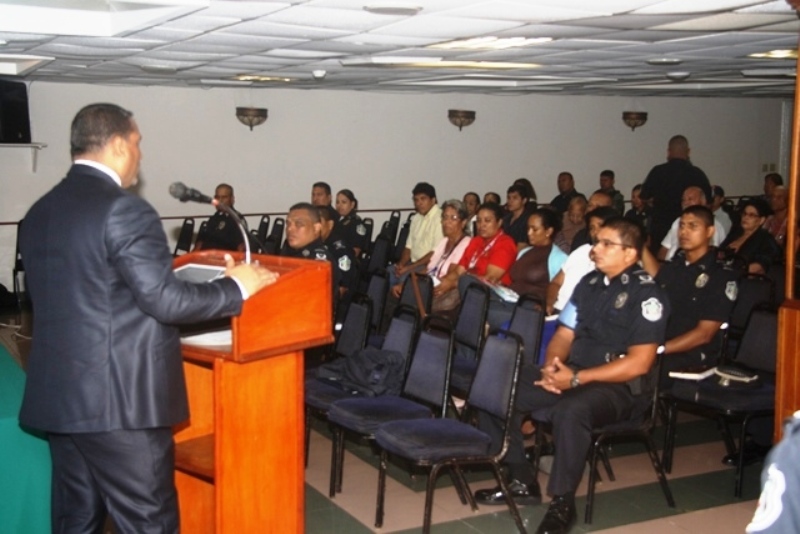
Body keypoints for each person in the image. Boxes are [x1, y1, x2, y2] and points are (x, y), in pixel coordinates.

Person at [18, 103, 278, 532]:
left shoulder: (40, 212)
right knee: (149, 524)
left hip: (63, 399)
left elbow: (90, 296)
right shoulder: (124, 209)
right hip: (120, 405)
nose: (140, 155)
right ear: (120, 145)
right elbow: (166, 301)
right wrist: (237, 287)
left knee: (76, 521)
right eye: (137, 143)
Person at [473, 217, 669, 534]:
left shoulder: (647, 295)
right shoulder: (589, 284)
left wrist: (577, 379)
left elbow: (640, 363)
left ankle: (563, 504)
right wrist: (553, 366)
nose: (596, 249)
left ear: (630, 253)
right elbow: (564, 334)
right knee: (497, 384)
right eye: (596, 241)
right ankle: (521, 478)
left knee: (571, 410)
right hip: (575, 374)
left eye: (606, 244)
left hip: (621, 389)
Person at [641, 205, 738, 388]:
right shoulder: (676, 265)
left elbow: (704, 334)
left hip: (691, 353)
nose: (684, 232)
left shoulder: (721, 276)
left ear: (710, 231)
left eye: (693, 226)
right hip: (659, 343)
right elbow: (658, 277)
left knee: (639, 371)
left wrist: (659, 349)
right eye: (682, 226)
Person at [487, 207, 567, 329]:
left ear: (548, 231)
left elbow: (559, 289)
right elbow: (517, 280)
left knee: (482, 311)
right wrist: (501, 285)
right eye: (528, 228)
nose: (529, 233)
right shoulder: (524, 252)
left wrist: (548, 304)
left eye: (534, 229)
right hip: (510, 299)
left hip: (530, 307)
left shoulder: (558, 257)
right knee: (473, 291)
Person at [433, 202, 517, 312]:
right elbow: (458, 271)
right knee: (431, 292)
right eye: (478, 220)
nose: (482, 225)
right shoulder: (476, 241)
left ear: (499, 222)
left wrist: (453, 284)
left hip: (489, 293)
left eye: (487, 221)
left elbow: (489, 279)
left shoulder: (505, 243)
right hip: (466, 285)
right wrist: (445, 282)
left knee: (444, 301)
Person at [390, 200, 472, 310]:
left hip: (439, 291)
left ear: (463, 222)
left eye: (453, 218)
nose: (447, 222)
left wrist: (415, 288)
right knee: (393, 293)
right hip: (427, 285)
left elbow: (449, 276)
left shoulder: (466, 244)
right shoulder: (445, 241)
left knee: (399, 304)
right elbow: (428, 269)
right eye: (445, 217)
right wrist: (407, 284)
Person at [640, 135, 712, 254]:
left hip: (660, 226)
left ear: (668, 152)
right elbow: (708, 203)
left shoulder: (658, 172)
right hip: (690, 226)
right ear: (688, 151)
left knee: (659, 258)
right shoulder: (697, 174)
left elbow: (644, 196)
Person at [547, 206, 618, 316]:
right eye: (592, 228)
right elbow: (556, 282)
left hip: (584, 316)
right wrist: (549, 303)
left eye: (600, 226)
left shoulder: (616, 259)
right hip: (558, 310)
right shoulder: (581, 251)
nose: (595, 232)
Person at [388, 182, 444, 286]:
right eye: (416, 200)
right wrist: (401, 264)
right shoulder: (416, 218)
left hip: (428, 266)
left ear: (433, 200)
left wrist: (408, 268)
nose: (419, 203)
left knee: (404, 279)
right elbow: (408, 247)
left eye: (423, 199)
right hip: (413, 263)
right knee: (388, 273)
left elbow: (435, 254)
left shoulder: (440, 218)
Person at [657, 186, 727, 261]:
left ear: (703, 201)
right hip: (670, 265)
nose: (685, 203)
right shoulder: (678, 221)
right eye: (683, 200)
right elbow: (665, 248)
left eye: (690, 199)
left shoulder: (711, 224)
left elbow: (709, 256)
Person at [718, 198, 781, 275]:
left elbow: (761, 265)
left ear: (761, 220)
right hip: (722, 273)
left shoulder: (765, 239)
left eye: (751, 215)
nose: (746, 217)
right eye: (744, 213)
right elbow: (720, 251)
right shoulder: (735, 233)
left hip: (745, 277)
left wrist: (736, 272)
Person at [193, 183, 247, 252]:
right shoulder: (214, 218)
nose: (220, 200)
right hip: (205, 256)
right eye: (217, 197)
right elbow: (199, 245)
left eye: (224, 197)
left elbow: (241, 249)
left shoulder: (237, 219)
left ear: (232, 199)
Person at [335, 188, 368, 257]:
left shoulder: (356, 223)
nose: (339, 205)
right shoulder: (339, 220)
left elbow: (355, 251)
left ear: (352, 204)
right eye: (337, 202)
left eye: (344, 202)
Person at [503, 183, 534, 250]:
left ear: (524, 200)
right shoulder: (506, 218)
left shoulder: (528, 219)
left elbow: (522, 246)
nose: (510, 201)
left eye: (515, 198)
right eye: (508, 198)